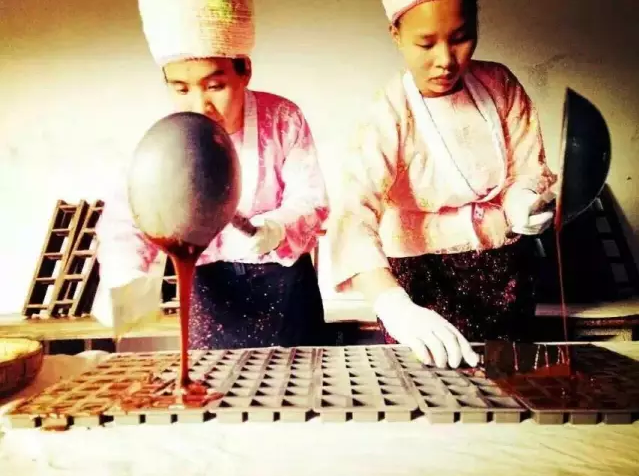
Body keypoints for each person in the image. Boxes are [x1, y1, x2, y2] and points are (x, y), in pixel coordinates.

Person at [327, 0, 557, 368]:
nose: (446, 60)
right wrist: (393, 304)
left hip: (507, 270)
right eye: (426, 43)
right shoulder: (387, 113)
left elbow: (527, 167)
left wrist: (524, 201)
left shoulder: (499, 84)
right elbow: (353, 214)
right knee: (427, 384)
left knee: (510, 383)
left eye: (461, 38)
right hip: (421, 280)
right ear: (396, 35)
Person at [96, 0, 332, 350]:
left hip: (287, 294)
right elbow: (125, 220)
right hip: (209, 297)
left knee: (298, 380)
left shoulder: (282, 118)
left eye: (215, 86)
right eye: (181, 88)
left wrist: (277, 227)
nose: (199, 106)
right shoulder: (164, 139)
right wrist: (125, 276)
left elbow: (311, 199)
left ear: (244, 71)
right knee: (213, 383)